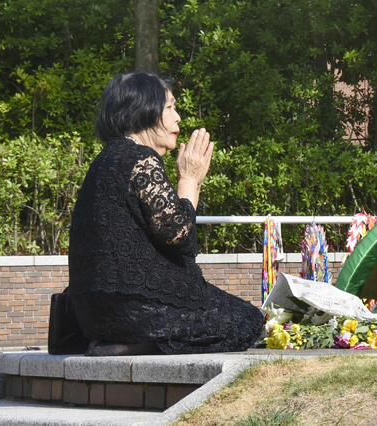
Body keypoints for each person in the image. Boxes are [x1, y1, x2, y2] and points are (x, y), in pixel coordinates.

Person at [68, 72, 264, 355]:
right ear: (143, 110)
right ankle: (143, 344)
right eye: (170, 107)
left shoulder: (105, 159)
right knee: (247, 321)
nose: (178, 118)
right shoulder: (140, 158)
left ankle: (132, 343)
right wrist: (189, 179)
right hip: (137, 310)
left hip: (93, 316)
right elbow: (181, 237)